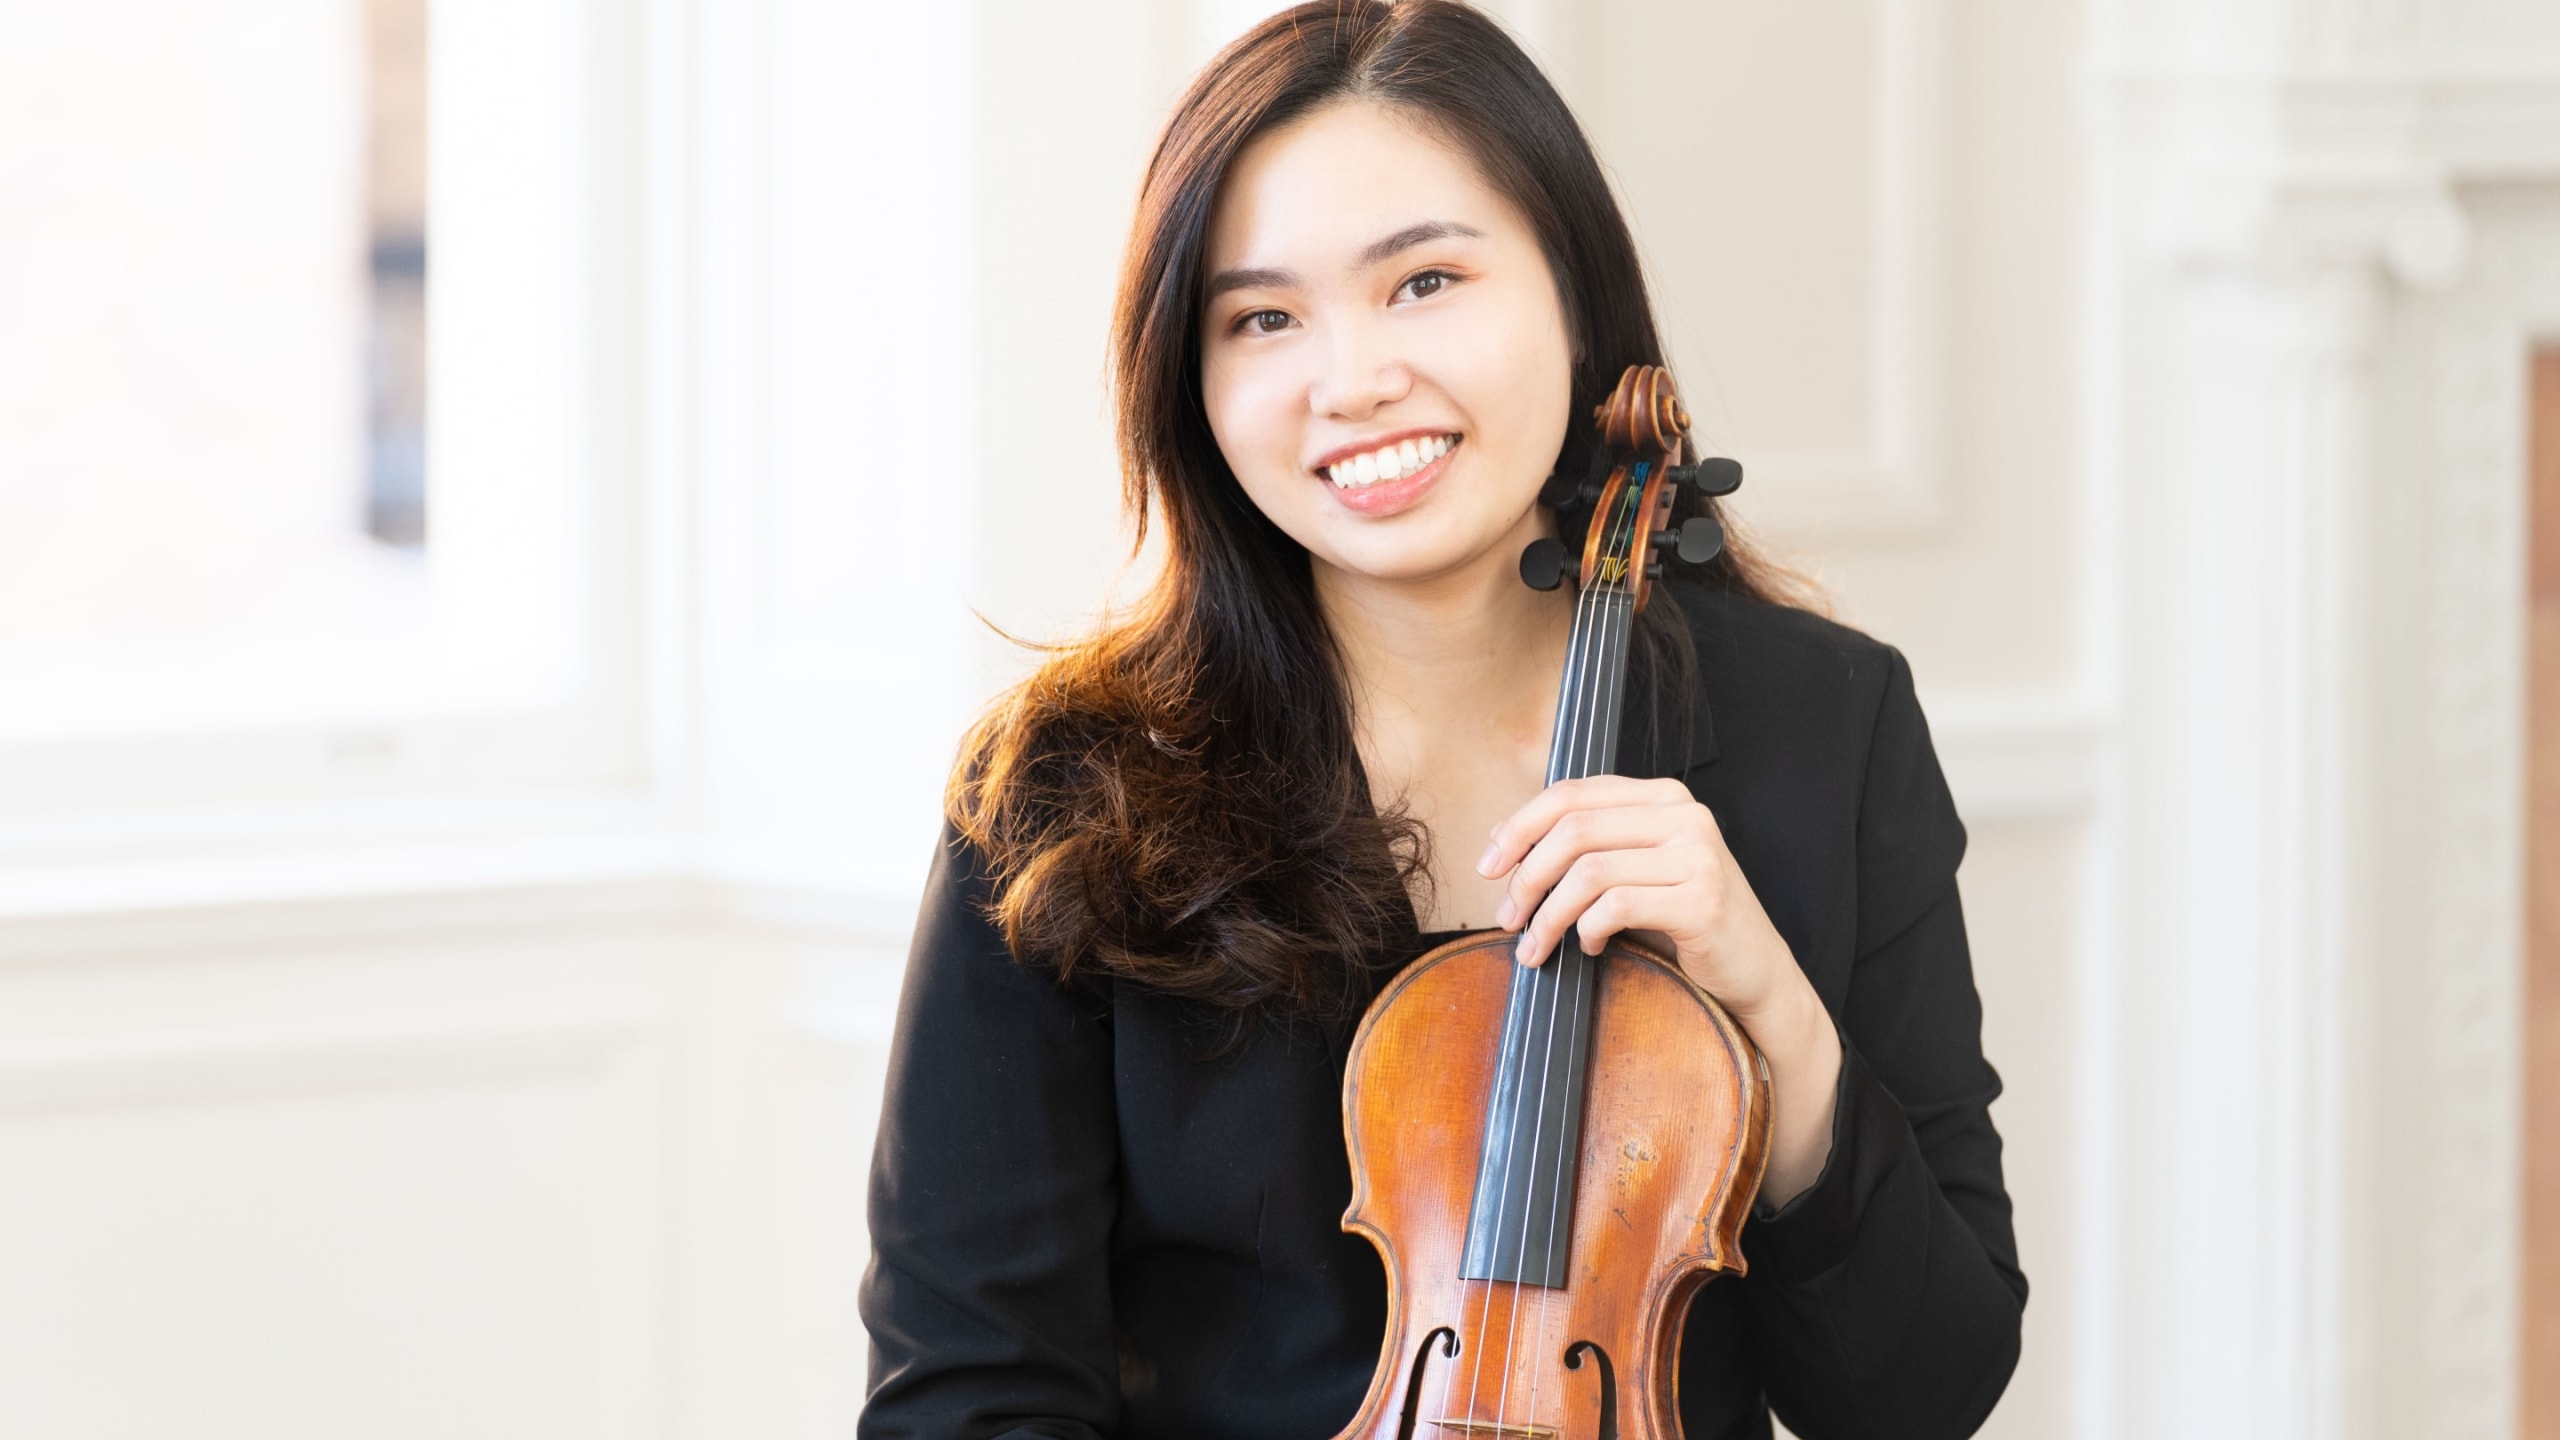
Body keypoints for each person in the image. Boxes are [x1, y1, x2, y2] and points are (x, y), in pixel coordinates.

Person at [857, 3, 2024, 1436]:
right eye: (1264, 317)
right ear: (1195, 381)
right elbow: (968, 1393)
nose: (1352, 381)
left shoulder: (1822, 729)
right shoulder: (1067, 791)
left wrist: (1773, 1010)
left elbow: (1925, 1392)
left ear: (1569, 290)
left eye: (1424, 282)